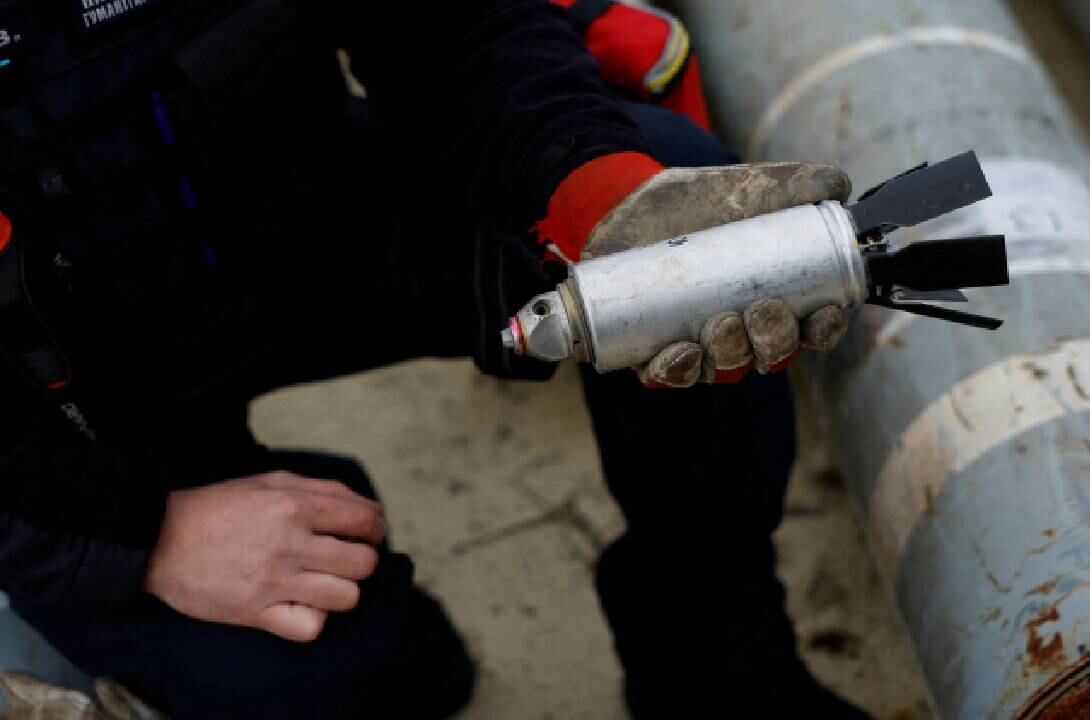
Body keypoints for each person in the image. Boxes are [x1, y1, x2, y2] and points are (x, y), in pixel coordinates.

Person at [0, 1, 871, 717]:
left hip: (306, 230)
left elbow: (448, 25)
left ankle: (714, 660)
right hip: (64, 417)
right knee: (357, 675)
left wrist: (586, 183)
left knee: (692, 260)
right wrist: (142, 535)